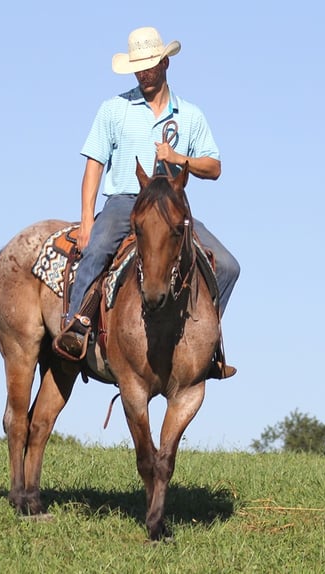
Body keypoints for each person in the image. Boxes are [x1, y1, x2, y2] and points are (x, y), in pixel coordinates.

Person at [52, 26, 239, 378]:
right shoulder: (113, 109)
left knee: (228, 266)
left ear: (166, 63)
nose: (144, 73)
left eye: (150, 65)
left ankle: (208, 346)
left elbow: (214, 167)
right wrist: (87, 219)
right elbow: (93, 165)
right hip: (125, 202)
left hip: (171, 210)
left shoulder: (191, 116)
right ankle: (75, 326)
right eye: (138, 67)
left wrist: (180, 158)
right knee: (98, 249)